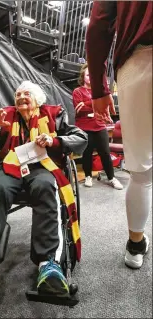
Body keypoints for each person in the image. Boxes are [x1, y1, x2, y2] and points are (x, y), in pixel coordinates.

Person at [0, 81, 88, 295]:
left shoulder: (54, 114)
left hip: (43, 167)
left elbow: (81, 138)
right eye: (18, 94)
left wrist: (54, 140)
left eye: (27, 93)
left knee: (45, 188)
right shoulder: (5, 115)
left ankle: (49, 264)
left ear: (37, 98)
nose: (21, 96)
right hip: (10, 165)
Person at [86, 1, 152, 269]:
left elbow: (99, 23)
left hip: (138, 63)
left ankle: (135, 244)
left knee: (141, 171)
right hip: (137, 61)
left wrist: (99, 89)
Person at [72, 64, 123, 190]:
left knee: (105, 153)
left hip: (100, 126)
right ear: (83, 77)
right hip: (84, 127)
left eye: (92, 75)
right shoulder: (77, 91)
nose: (90, 77)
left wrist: (89, 103)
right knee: (87, 153)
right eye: (88, 75)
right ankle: (88, 176)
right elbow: (80, 109)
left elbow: (104, 106)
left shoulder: (99, 93)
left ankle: (111, 178)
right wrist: (96, 105)